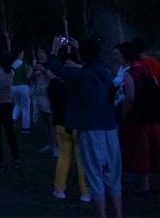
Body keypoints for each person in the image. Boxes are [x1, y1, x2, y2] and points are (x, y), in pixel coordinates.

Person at [49, 37, 122, 218]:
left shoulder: (79, 76)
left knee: (94, 174)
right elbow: (99, 65)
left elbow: (56, 69)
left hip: (91, 129)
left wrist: (54, 50)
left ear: (82, 55)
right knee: (113, 174)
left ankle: (102, 215)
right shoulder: (105, 73)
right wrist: (78, 49)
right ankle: (118, 214)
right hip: (110, 128)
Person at [115, 42, 160, 194]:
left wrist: (123, 114)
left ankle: (144, 185)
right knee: (155, 148)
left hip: (138, 117)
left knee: (141, 149)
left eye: (118, 55)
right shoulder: (146, 70)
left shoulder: (130, 73)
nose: (116, 58)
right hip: (152, 116)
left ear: (125, 56)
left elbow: (130, 97)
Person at [44, 44, 90, 202]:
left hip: (61, 123)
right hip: (77, 123)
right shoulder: (81, 80)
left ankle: (59, 190)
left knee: (64, 157)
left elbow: (52, 104)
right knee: (81, 159)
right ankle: (85, 192)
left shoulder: (54, 83)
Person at [0, 49, 19, 171]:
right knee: (10, 132)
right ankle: (16, 158)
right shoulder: (12, 71)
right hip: (8, 103)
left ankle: (0, 161)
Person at [31, 47, 56, 155]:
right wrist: (33, 71)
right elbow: (31, 79)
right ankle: (49, 144)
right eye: (38, 52)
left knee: (51, 121)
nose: (40, 54)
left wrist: (44, 70)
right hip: (39, 96)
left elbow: (53, 78)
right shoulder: (36, 64)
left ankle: (55, 146)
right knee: (44, 120)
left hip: (48, 95)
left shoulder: (51, 64)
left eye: (42, 52)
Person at [10, 48, 31, 134]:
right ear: (19, 54)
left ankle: (13, 118)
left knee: (18, 104)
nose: (23, 54)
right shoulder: (23, 64)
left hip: (13, 87)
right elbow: (28, 76)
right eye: (22, 53)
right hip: (23, 87)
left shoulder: (12, 65)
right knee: (26, 108)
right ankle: (25, 128)